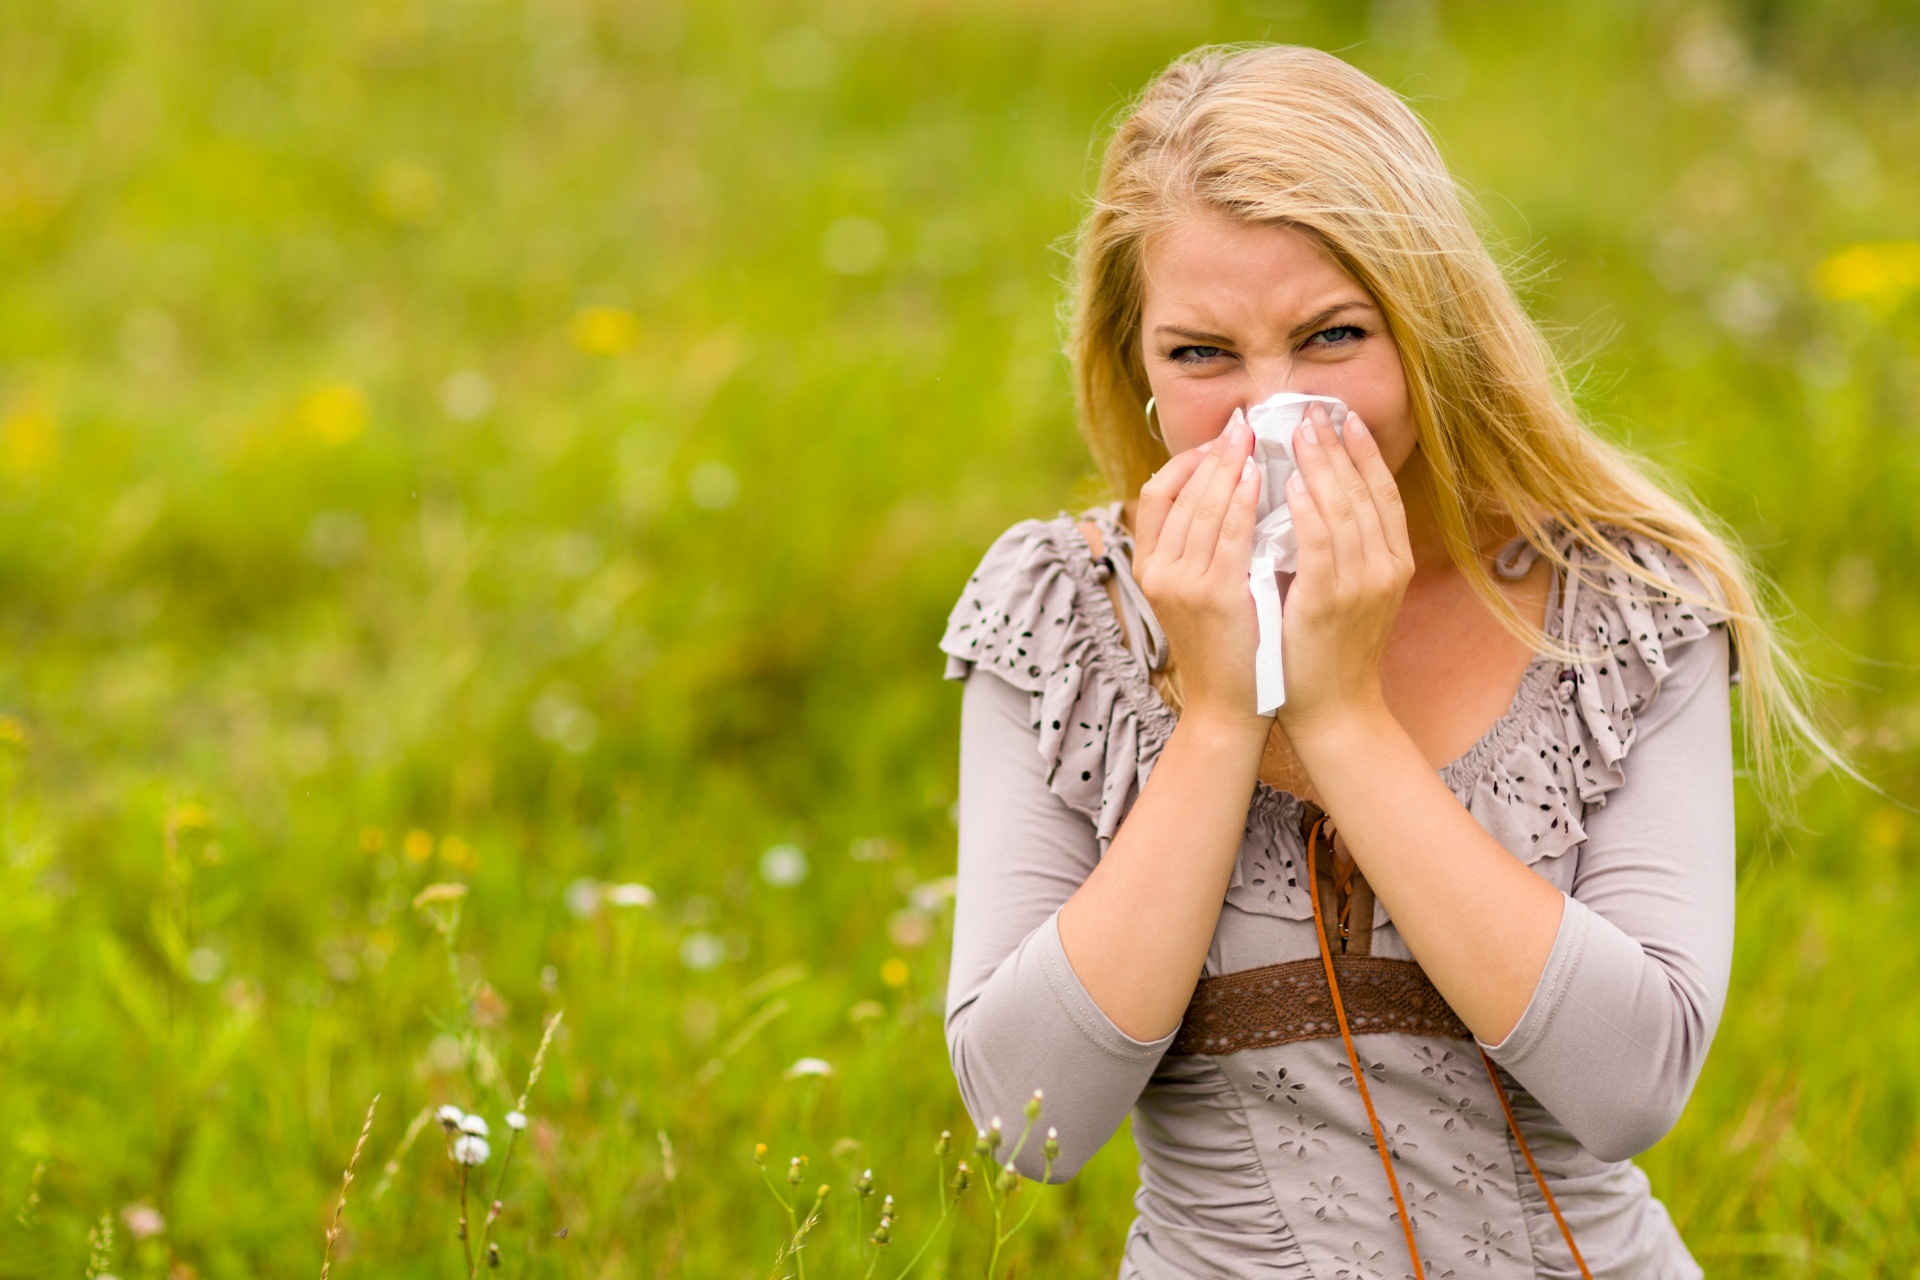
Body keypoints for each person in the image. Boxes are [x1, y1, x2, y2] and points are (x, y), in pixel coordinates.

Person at [939, 45, 1827, 1280]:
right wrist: (1212, 720)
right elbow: (1025, 1118)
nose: (1269, 412)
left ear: (1430, 329)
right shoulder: (1062, 609)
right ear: (1136, 364)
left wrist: (1345, 716)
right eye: (1202, 354)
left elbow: (1633, 1086)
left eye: (1332, 336)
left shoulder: (1616, 600)